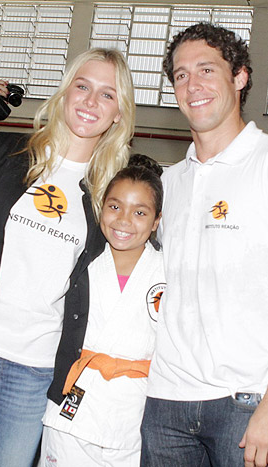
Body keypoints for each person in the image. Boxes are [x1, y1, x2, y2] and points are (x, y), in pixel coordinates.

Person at [0, 48, 135, 467]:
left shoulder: (109, 195)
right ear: (64, 92)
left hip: (34, 372)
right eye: (83, 86)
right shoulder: (2, 153)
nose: (91, 102)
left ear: (118, 115)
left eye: (107, 95)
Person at [140, 22, 268, 467]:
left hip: (247, 402)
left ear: (240, 76)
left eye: (206, 70)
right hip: (163, 402)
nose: (192, 85)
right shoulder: (168, 183)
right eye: (180, 75)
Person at [39, 154, 165, 466]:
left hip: (133, 414)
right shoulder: (82, 260)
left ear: (156, 221)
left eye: (140, 212)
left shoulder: (167, 270)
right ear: (101, 208)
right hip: (74, 406)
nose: (124, 220)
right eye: (114, 206)